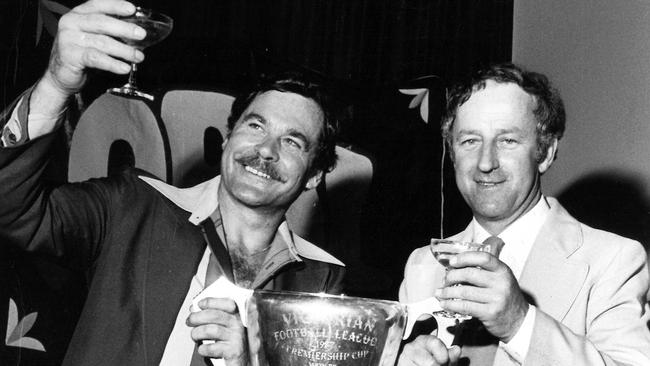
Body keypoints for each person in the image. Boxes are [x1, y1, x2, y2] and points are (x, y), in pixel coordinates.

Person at [0, 1, 345, 365]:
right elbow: (11, 208)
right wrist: (56, 83)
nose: (266, 150)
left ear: (315, 175)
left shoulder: (320, 281)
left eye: (292, 142)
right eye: (255, 125)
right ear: (228, 138)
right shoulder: (133, 205)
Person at [397, 63, 650, 366]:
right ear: (452, 154)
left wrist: (519, 322)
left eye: (507, 140)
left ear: (545, 153)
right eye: (470, 141)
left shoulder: (613, 260)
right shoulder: (422, 264)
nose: (486, 163)